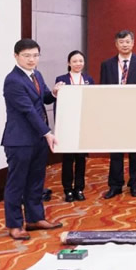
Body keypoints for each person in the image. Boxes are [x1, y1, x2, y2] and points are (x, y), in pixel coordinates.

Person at [3, 38, 63, 240]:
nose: (31, 59)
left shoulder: (36, 74)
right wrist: (48, 133)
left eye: (35, 55)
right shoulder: (13, 80)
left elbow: (43, 97)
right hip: (20, 140)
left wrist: (54, 92)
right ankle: (14, 225)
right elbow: (28, 111)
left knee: (36, 181)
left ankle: (35, 218)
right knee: (17, 183)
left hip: (38, 139)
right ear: (16, 56)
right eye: (27, 56)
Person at [100, 30, 136, 199]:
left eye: (128, 41)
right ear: (116, 44)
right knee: (116, 150)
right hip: (115, 113)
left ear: (133, 43)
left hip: (135, 113)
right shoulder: (107, 64)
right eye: (121, 42)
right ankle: (115, 185)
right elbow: (103, 90)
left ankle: (135, 184)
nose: (125, 45)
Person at [54, 50, 95, 203]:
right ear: (69, 63)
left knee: (81, 159)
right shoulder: (62, 79)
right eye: (75, 61)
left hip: (82, 123)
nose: (78, 64)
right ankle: (68, 189)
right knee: (68, 158)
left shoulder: (88, 79)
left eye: (80, 61)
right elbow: (57, 101)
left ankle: (79, 188)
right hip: (67, 123)